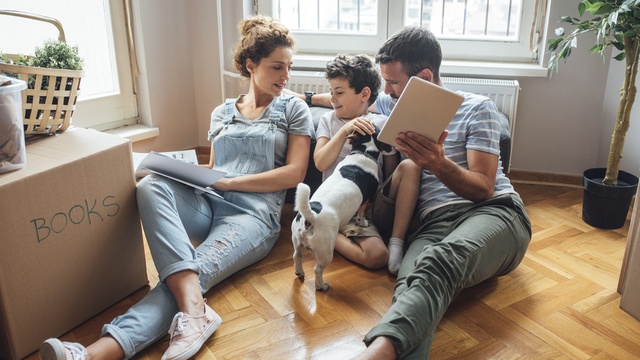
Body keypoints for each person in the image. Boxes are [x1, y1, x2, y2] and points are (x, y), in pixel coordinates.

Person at [39, 15, 314, 360]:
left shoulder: (295, 108)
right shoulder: (222, 112)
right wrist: (181, 169)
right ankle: (195, 313)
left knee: (188, 276)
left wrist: (229, 182)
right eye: (277, 68)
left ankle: (92, 354)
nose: (285, 76)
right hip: (210, 201)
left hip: (253, 217)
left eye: (289, 67)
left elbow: (294, 173)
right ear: (251, 65)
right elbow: (213, 169)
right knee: (151, 186)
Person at [347, 26, 533, 359]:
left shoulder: (478, 108)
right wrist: (303, 99)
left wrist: (438, 164)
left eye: (393, 83)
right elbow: (347, 103)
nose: (385, 91)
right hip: (432, 224)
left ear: (425, 77)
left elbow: (484, 188)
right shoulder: (391, 108)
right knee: (408, 287)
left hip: (495, 213)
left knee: (436, 262)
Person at [313, 53, 421, 273]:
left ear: (364, 94)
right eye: (332, 91)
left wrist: (388, 148)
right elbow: (320, 163)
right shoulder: (329, 122)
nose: (332, 98)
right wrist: (345, 130)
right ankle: (319, 230)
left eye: (339, 92)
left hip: (373, 202)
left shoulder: (381, 122)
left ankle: (397, 242)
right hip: (344, 206)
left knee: (411, 167)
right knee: (376, 257)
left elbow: (389, 175)